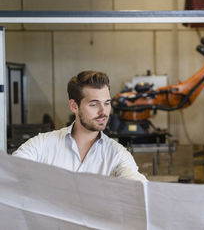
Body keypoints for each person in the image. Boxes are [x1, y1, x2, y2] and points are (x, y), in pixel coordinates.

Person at [13, 70, 147, 182]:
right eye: (94, 104)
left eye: (106, 103)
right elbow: (11, 172)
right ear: (74, 106)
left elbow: (138, 186)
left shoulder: (117, 154)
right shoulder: (42, 145)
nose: (103, 112)